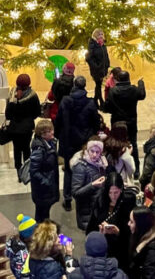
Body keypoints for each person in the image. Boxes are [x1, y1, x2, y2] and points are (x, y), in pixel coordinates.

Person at [56, 75, 99, 212]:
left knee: (68, 170)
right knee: (85, 168)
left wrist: (58, 136)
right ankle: (84, 196)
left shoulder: (65, 101)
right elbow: (96, 123)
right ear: (85, 86)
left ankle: (67, 200)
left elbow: (58, 121)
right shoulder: (90, 103)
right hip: (84, 142)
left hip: (68, 140)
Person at [87, 173, 136, 272]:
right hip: (103, 250)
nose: (113, 196)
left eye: (116, 192)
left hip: (121, 250)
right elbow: (91, 228)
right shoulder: (100, 200)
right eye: (110, 192)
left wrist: (118, 232)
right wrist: (100, 233)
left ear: (121, 189)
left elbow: (133, 231)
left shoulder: (128, 201)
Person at [105, 71, 146, 174]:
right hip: (131, 121)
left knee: (117, 144)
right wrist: (140, 83)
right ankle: (136, 170)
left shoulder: (113, 91)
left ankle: (118, 169)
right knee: (133, 144)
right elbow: (142, 95)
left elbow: (108, 107)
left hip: (117, 122)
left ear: (117, 79)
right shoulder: (133, 89)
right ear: (128, 79)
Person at [5, 73, 42, 180]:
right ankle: (27, 172)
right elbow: (37, 113)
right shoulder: (33, 95)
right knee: (26, 149)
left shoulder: (12, 95)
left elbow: (8, 114)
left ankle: (18, 172)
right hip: (27, 128)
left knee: (16, 149)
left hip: (14, 128)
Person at [71, 140, 108, 231]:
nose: (94, 155)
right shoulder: (80, 167)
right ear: (87, 150)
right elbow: (75, 193)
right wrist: (93, 185)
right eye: (92, 151)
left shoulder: (102, 165)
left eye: (97, 152)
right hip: (87, 213)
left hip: (98, 210)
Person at [127, 208, 155, 279]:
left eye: (131, 222)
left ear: (140, 224)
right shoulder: (152, 233)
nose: (128, 223)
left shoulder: (152, 253)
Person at [29, 117, 60, 222]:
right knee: (42, 215)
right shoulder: (39, 149)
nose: (52, 132)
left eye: (52, 129)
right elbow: (33, 171)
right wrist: (46, 181)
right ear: (42, 134)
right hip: (42, 191)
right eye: (49, 131)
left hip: (47, 189)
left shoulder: (50, 143)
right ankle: (42, 234)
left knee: (45, 213)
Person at [6, 214, 37, 279]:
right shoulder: (22, 254)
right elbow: (22, 274)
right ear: (28, 237)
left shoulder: (13, 239)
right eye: (35, 233)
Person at [86, 29, 110, 109]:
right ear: (95, 36)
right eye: (99, 35)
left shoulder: (103, 44)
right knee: (98, 85)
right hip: (96, 70)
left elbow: (106, 55)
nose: (101, 36)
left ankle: (95, 101)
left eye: (102, 34)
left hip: (103, 69)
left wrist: (107, 64)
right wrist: (96, 66)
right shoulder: (92, 45)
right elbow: (88, 58)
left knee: (98, 85)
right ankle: (101, 102)